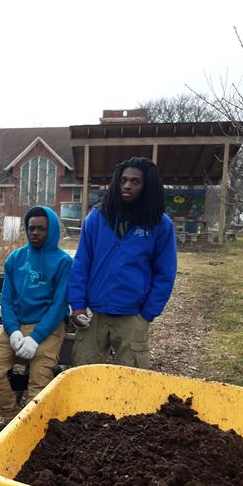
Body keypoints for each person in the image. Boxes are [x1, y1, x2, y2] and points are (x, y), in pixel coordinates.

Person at [68, 156, 177, 368]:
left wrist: (147, 313)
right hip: (94, 313)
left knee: (132, 381)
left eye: (135, 182)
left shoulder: (160, 224)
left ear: (148, 187)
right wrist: (78, 305)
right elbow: (81, 263)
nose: (127, 186)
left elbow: (165, 273)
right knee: (84, 372)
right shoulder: (97, 218)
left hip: (132, 315)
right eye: (123, 180)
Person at [0, 206, 72, 440]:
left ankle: (34, 433)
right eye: (31, 228)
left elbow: (59, 306)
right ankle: (13, 421)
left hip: (48, 327)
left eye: (41, 228)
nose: (35, 233)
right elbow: (7, 300)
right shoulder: (16, 259)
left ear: (50, 230)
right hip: (17, 324)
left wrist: (36, 338)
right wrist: (12, 331)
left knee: (38, 385)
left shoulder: (63, 262)